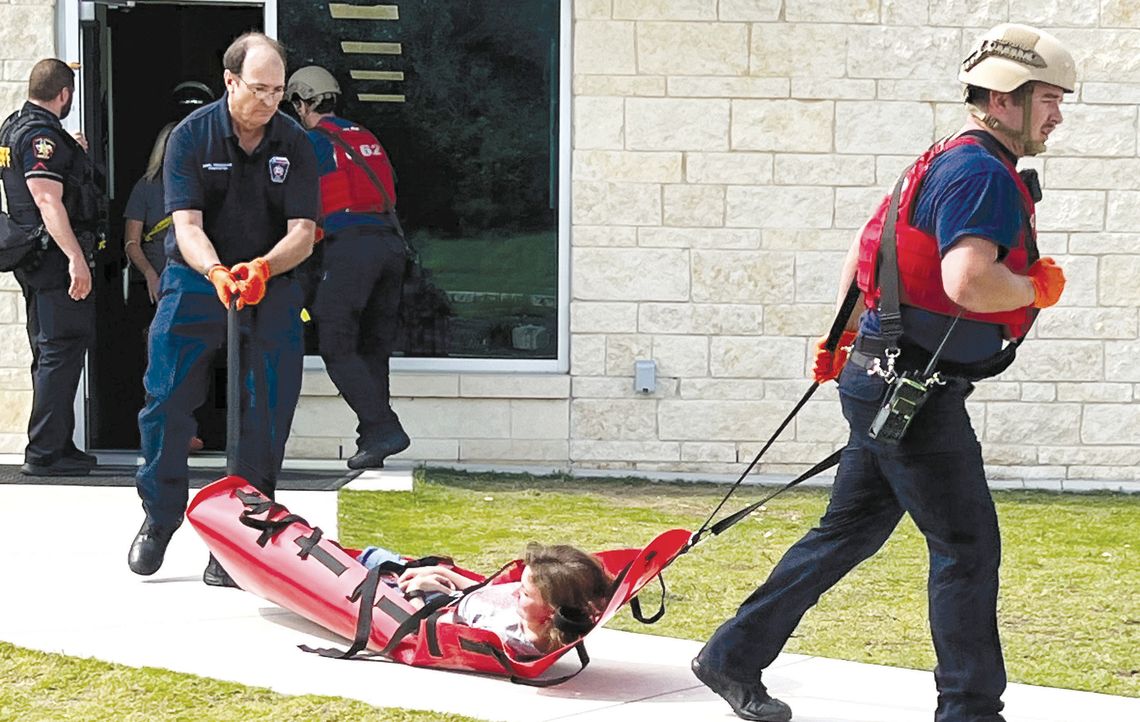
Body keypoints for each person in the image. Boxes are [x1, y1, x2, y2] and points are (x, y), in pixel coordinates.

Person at [691, 23, 1073, 722]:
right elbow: (968, 282)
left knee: (848, 532)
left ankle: (731, 657)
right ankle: (970, 711)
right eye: (1047, 98)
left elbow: (863, 253)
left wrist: (836, 342)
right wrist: (1037, 287)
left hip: (880, 373)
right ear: (1002, 99)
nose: (1057, 114)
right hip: (913, 394)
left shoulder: (936, 160)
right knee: (965, 548)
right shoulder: (982, 172)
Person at [128, 32, 319, 586]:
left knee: (266, 411)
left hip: (271, 283)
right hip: (195, 280)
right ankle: (159, 518)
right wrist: (215, 272)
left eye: (279, 90)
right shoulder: (192, 136)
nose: (269, 101)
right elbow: (186, 226)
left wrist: (261, 268)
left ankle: (238, 541)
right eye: (258, 88)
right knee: (165, 402)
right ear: (230, 81)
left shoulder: (296, 143)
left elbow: (303, 232)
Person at [284, 65, 410, 470]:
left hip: (351, 247)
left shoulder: (310, 143)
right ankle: (372, 439)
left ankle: (382, 425)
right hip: (390, 247)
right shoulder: (365, 137)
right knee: (373, 347)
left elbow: (300, 201)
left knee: (335, 338)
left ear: (302, 103)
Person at [0, 59, 101, 477]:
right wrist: (76, 257)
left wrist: (68, 149)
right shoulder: (43, 136)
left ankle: (59, 442)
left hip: (33, 258)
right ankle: (44, 453)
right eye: (70, 94)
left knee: (50, 350)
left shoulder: (15, 126)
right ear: (63, 94)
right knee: (60, 350)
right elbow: (47, 200)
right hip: (53, 259)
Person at [357, 542, 612, 657]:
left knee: (370, 561)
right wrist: (444, 573)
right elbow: (490, 592)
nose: (514, 592)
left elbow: (425, 631)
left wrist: (416, 591)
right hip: (453, 591)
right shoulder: (536, 610)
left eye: (523, 593)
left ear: (551, 611)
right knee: (376, 557)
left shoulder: (507, 637)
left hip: (430, 605)